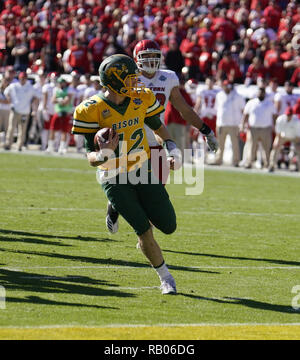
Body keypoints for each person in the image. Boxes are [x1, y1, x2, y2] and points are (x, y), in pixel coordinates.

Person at [72, 54, 180, 295]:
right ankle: (165, 277)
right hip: (113, 176)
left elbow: (157, 126)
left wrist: (171, 147)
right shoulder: (92, 109)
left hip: (142, 169)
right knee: (144, 230)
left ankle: (116, 206)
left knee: (169, 225)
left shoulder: (141, 98)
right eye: (130, 78)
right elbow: (90, 156)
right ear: (115, 80)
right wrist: (103, 154)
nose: (136, 82)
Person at [107, 39, 218, 234]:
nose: (150, 61)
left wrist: (206, 130)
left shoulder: (168, 78)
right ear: (136, 59)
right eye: (146, 56)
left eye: (154, 56)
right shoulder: (127, 78)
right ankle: (115, 205)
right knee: (130, 187)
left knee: (156, 192)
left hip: (158, 138)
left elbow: (183, 109)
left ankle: (144, 235)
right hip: (132, 139)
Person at [242, 87, 277, 169]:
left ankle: (267, 163)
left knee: (266, 147)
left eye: (262, 93)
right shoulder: (251, 103)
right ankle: (249, 162)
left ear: (265, 94)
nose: (260, 94)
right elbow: (245, 114)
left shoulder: (269, 103)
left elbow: (274, 116)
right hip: (253, 128)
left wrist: (274, 126)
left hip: (266, 128)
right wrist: (243, 125)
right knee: (251, 146)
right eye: (259, 92)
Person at [213, 80, 245, 167]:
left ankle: (236, 161)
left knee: (235, 144)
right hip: (221, 123)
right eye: (225, 86)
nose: (227, 88)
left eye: (228, 86)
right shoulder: (219, 95)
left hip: (233, 124)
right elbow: (217, 109)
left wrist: (242, 123)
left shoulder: (237, 96)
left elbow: (243, 110)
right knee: (220, 144)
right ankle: (218, 160)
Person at [4, 72, 38, 151]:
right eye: (21, 78)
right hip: (15, 109)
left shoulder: (30, 87)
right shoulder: (14, 85)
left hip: (25, 111)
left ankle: (19, 145)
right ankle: (8, 144)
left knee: (22, 130)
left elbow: (36, 96)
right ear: (19, 78)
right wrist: (9, 99)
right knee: (11, 128)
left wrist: (31, 104)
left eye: (24, 78)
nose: (22, 80)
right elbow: (6, 92)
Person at [46, 77, 73, 155]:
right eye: (59, 82)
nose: (60, 84)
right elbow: (53, 100)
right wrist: (59, 100)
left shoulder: (69, 89)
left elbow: (67, 102)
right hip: (58, 112)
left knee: (64, 131)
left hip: (66, 112)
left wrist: (59, 100)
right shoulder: (56, 90)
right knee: (52, 129)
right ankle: (50, 147)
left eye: (62, 82)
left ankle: (62, 148)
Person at [269, 106, 300, 172]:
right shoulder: (280, 119)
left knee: (298, 150)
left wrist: (295, 147)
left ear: (292, 115)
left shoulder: (296, 121)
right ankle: (272, 165)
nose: (288, 116)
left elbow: (298, 136)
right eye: (287, 114)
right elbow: (278, 133)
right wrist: (276, 141)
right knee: (275, 148)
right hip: (283, 136)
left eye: (290, 115)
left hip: (294, 137)